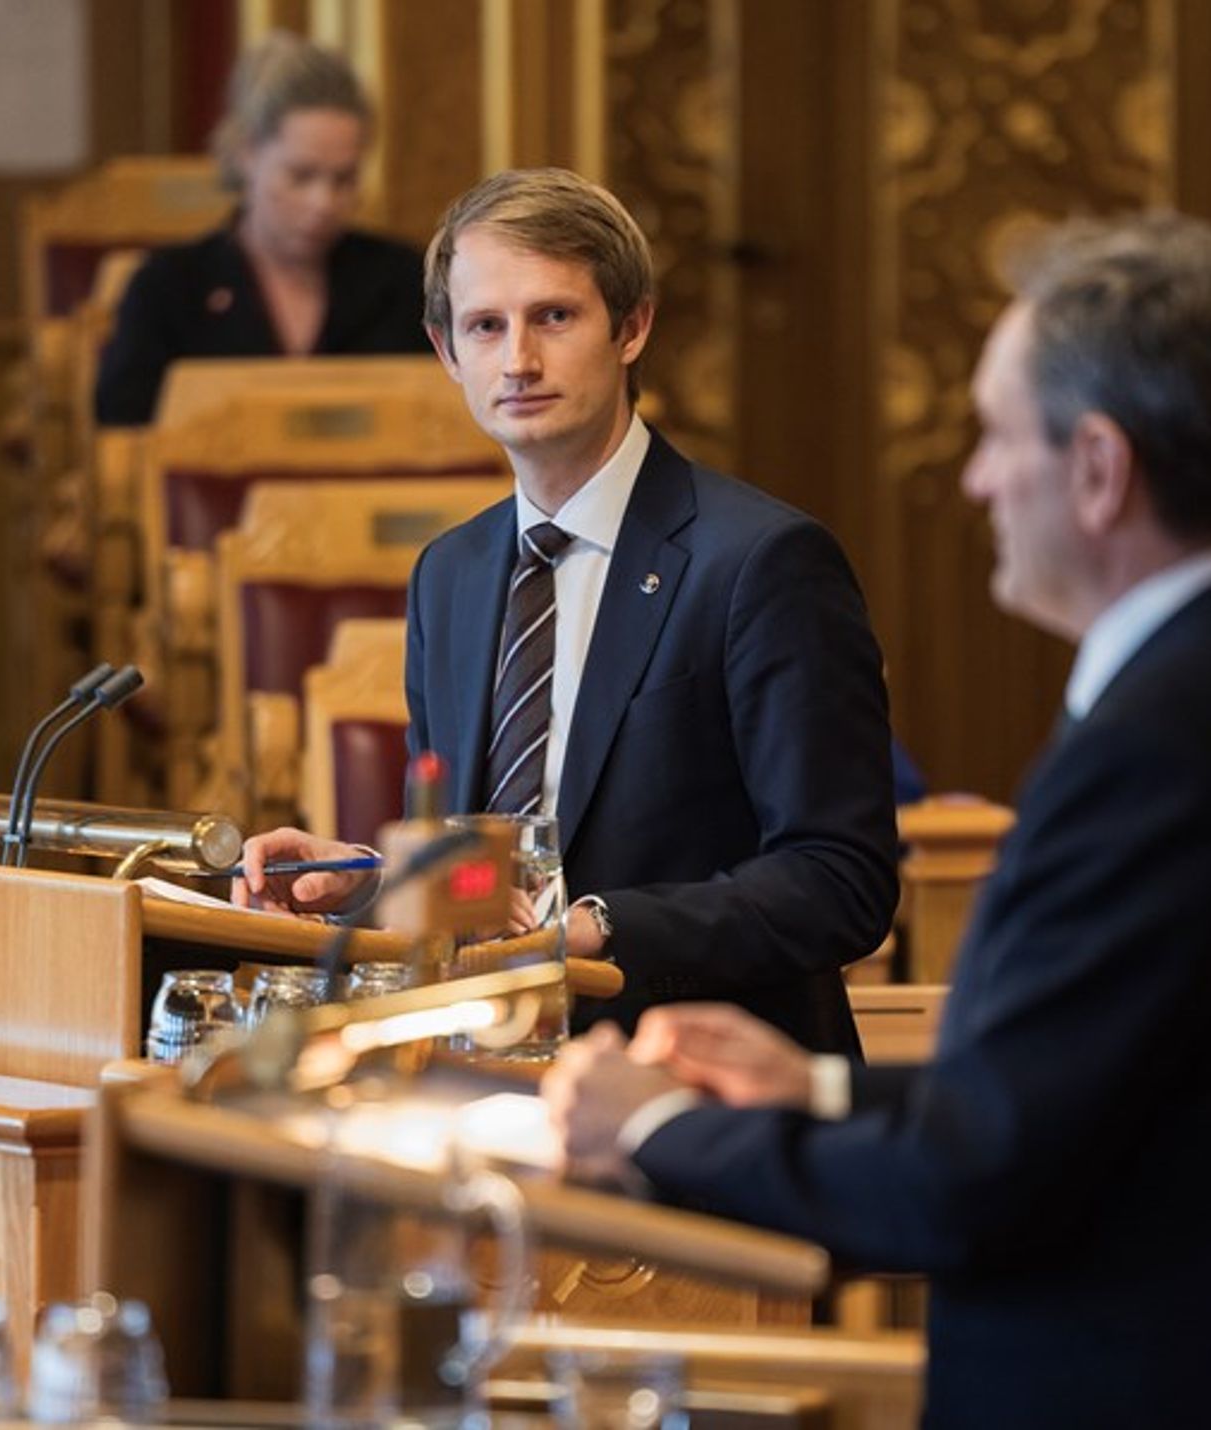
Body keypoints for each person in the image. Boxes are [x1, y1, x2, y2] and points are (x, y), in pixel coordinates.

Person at [544, 214, 1211, 1429]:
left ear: (1099, 468)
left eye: (995, 433)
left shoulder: (1157, 750)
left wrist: (655, 1127)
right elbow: (1104, 1098)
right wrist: (814, 1088)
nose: (974, 478)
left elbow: (974, 1186)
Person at [239, 168, 897, 1054]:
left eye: (553, 317)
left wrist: (593, 927)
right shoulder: (450, 574)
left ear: (633, 327)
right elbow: (486, 880)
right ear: (446, 352)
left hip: (694, 1078)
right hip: (486, 1067)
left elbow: (840, 879)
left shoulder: (762, 562)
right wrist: (361, 881)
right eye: (485, 326)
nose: (518, 361)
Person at [91, 32, 428, 427]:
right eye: (301, 176)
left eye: (344, 179)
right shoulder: (168, 287)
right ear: (247, 154)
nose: (323, 202)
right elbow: (124, 434)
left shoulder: (404, 281)